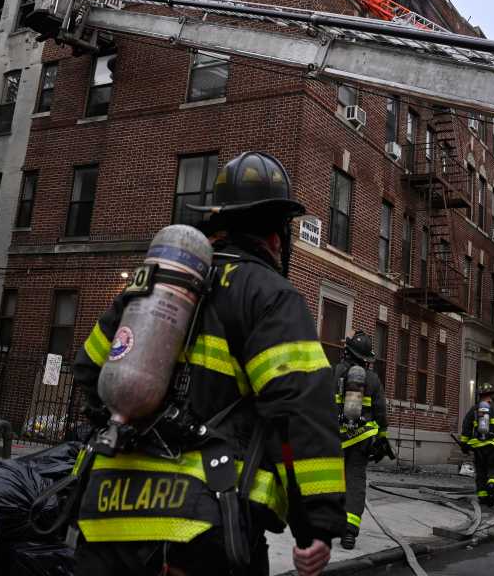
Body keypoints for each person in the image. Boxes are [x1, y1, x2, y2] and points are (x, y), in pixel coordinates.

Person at [70, 151, 346, 576]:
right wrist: (316, 527)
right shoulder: (269, 295)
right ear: (275, 239)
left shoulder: (153, 284)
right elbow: (297, 414)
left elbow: (90, 369)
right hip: (204, 523)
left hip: (107, 517)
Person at [332, 331, 389, 550]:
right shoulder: (373, 379)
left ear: (348, 351)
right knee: (355, 480)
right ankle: (350, 532)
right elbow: (381, 411)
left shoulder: (336, 373)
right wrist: (382, 436)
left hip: (338, 436)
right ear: (366, 357)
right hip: (363, 438)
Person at [455, 383, 494, 505]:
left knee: (481, 472)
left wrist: (464, 445)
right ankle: (492, 485)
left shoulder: (474, 410)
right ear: (492, 395)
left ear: (479, 396)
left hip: (478, 448)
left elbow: (466, 427)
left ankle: (482, 496)